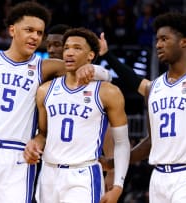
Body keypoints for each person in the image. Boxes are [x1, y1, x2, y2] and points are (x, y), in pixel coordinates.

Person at [0, 2, 111, 203]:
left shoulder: (44, 67)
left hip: (17, 156)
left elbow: (102, 75)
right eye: (29, 30)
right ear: (12, 30)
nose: (35, 36)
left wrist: (94, 69)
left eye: (39, 33)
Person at [102, 12, 186, 202]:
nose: (158, 44)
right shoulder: (154, 88)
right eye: (157, 39)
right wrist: (114, 162)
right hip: (158, 178)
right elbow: (152, 142)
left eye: (164, 39)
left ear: (184, 42)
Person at [23, 27, 130, 203]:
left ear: (91, 56)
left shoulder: (107, 92)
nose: (69, 53)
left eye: (77, 48)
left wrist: (118, 184)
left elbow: (121, 142)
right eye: (66, 48)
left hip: (83, 173)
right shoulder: (45, 90)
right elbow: (43, 134)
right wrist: (34, 143)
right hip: (49, 173)